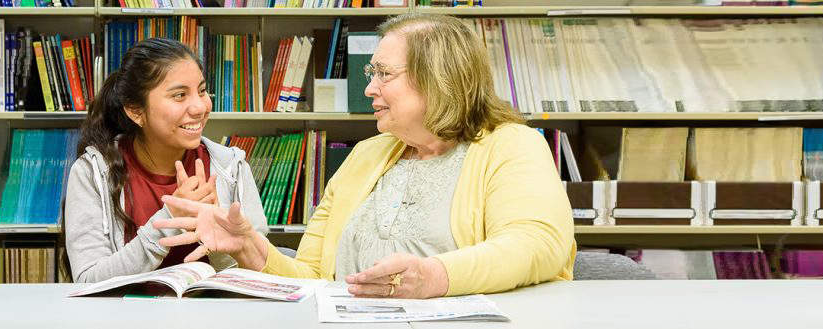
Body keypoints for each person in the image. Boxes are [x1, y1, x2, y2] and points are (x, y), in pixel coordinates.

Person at [152, 13, 576, 298]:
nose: (369, 88)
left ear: (439, 79)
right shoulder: (366, 156)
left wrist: (433, 276)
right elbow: (314, 276)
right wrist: (250, 248)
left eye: (384, 74)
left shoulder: (512, 144)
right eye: (372, 73)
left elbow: (536, 245)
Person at [64, 38, 270, 283]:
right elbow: (88, 281)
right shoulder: (93, 173)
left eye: (202, 91)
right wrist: (169, 217)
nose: (200, 107)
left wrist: (224, 242)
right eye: (180, 95)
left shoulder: (231, 168)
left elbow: (261, 276)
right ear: (135, 111)